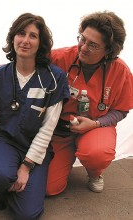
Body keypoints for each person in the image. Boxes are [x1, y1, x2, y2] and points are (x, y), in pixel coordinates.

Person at [0, 13, 69, 220]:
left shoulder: (54, 78)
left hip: (36, 145)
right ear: (13, 38)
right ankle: (4, 181)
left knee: (28, 214)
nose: (25, 40)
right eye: (21, 33)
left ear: (41, 43)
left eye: (33, 36)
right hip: (5, 140)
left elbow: (48, 128)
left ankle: (15, 189)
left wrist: (26, 166)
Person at [46, 11, 133, 196]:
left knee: (96, 153)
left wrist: (95, 124)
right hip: (60, 130)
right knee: (49, 188)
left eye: (93, 45)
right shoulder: (60, 58)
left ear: (109, 50)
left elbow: (122, 110)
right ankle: (66, 155)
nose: (83, 47)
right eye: (82, 39)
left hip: (96, 127)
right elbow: (26, 63)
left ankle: (94, 173)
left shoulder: (121, 71)